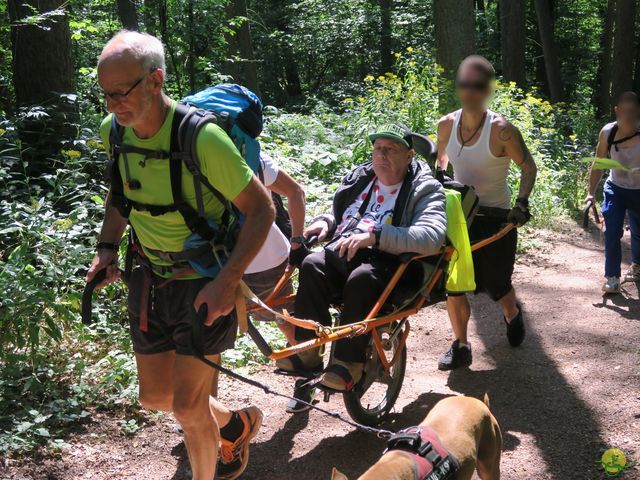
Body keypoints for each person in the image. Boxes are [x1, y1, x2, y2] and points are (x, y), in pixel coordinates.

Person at [86, 31, 274, 480]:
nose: (112, 105)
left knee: (188, 406)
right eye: (105, 94)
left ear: (155, 80)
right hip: (149, 277)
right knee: (156, 398)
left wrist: (228, 281)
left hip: (204, 277)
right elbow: (120, 195)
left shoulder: (202, 138)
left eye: (121, 92)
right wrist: (106, 249)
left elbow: (262, 208)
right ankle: (236, 422)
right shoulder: (116, 132)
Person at [276, 123, 447, 392]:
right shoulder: (362, 178)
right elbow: (343, 214)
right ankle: (306, 352)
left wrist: (376, 235)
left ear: (410, 155)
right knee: (311, 264)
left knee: (362, 278)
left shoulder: (424, 188)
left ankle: (348, 363)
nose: (382, 155)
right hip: (348, 251)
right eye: (378, 148)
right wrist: (324, 224)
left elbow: (431, 236)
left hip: (394, 263)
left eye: (391, 149)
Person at [435, 55, 537, 371]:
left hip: (497, 219)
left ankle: (512, 313)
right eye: (464, 84)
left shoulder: (503, 131)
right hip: (459, 216)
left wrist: (522, 203)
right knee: (454, 283)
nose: (470, 92)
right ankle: (461, 345)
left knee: (497, 285)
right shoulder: (446, 124)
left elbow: (528, 167)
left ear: (487, 90)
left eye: (477, 86)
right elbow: (440, 163)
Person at [243, 150, 307, 343]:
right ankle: (304, 355)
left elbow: (296, 192)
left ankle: (304, 354)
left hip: (255, 259)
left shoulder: (251, 156)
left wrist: (297, 243)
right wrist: (297, 242)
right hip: (265, 256)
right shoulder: (250, 154)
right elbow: (295, 191)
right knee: (283, 315)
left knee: (283, 315)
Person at [586, 91, 640, 293]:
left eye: (633, 112)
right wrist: (591, 192)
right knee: (612, 231)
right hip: (615, 188)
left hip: (639, 190)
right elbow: (599, 163)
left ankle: (637, 266)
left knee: (638, 232)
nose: (628, 116)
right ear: (617, 110)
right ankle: (612, 277)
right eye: (624, 111)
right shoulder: (607, 132)